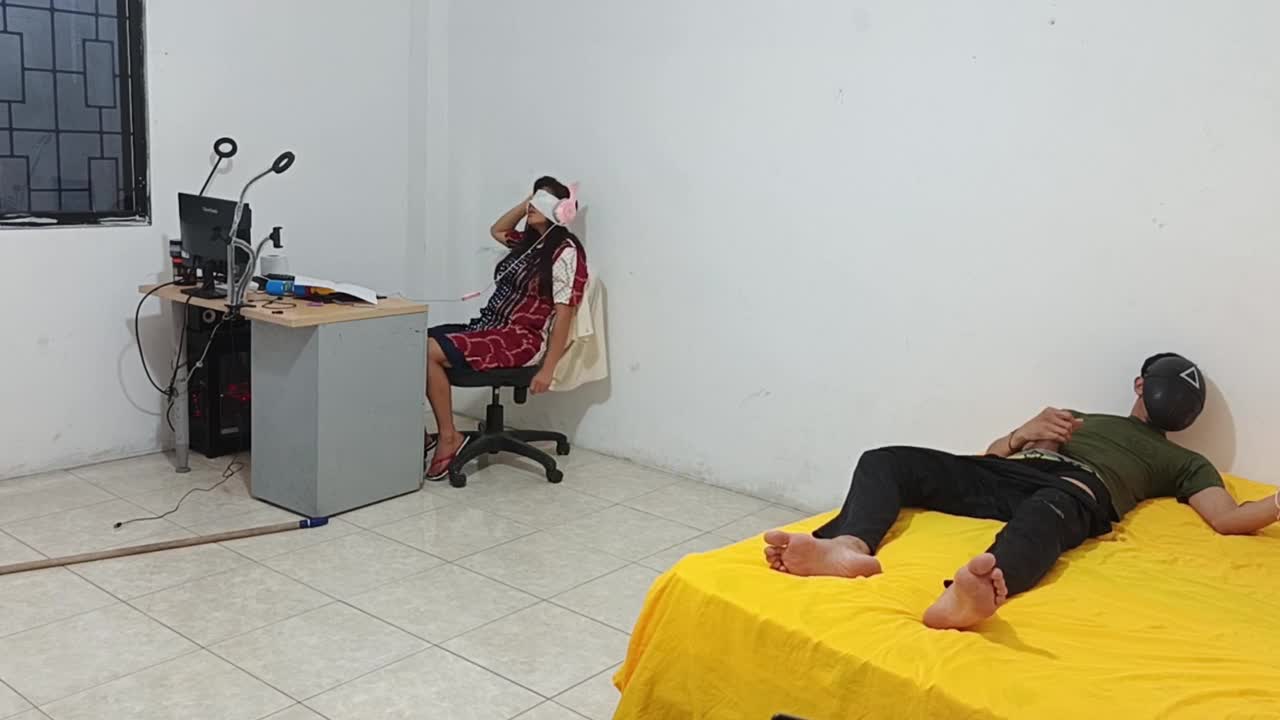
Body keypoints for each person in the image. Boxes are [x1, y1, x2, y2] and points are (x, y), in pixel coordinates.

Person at [763, 353, 1280, 630]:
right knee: (886, 460)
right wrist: (1021, 434)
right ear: (1139, 385)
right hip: (1011, 472)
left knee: (1046, 514)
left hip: (1075, 490)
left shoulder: (1185, 462)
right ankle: (849, 545)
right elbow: (992, 456)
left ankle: (972, 595)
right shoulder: (1078, 416)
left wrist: (1276, 502)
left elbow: (1226, 518)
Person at [424, 176, 588, 479]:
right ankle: (421, 434)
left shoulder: (565, 252)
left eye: (543, 200)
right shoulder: (529, 244)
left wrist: (548, 368)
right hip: (490, 326)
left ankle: (449, 437)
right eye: (534, 199)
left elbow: (564, 314)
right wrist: (529, 202)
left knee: (428, 351)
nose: (533, 206)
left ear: (560, 211)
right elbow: (498, 230)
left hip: (521, 339)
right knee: (412, 341)